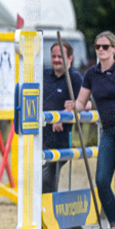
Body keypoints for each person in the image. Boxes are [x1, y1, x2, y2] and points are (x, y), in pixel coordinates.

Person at [65, 31, 115, 229]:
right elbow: (82, 102)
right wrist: (74, 106)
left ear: (114, 49)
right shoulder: (91, 74)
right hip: (107, 129)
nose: (100, 50)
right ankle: (113, 226)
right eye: (97, 46)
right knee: (100, 179)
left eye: (105, 47)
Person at [42, 42, 84, 194]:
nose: (56, 59)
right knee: (39, 177)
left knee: (46, 178)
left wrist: (67, 111)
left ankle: (46, 210)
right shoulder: (44, 75)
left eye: (60, 56)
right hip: (39, 136)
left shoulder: (76, 78)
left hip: (59, 139)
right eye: (54, 56)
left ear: (70, 58)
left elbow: (86, 104)